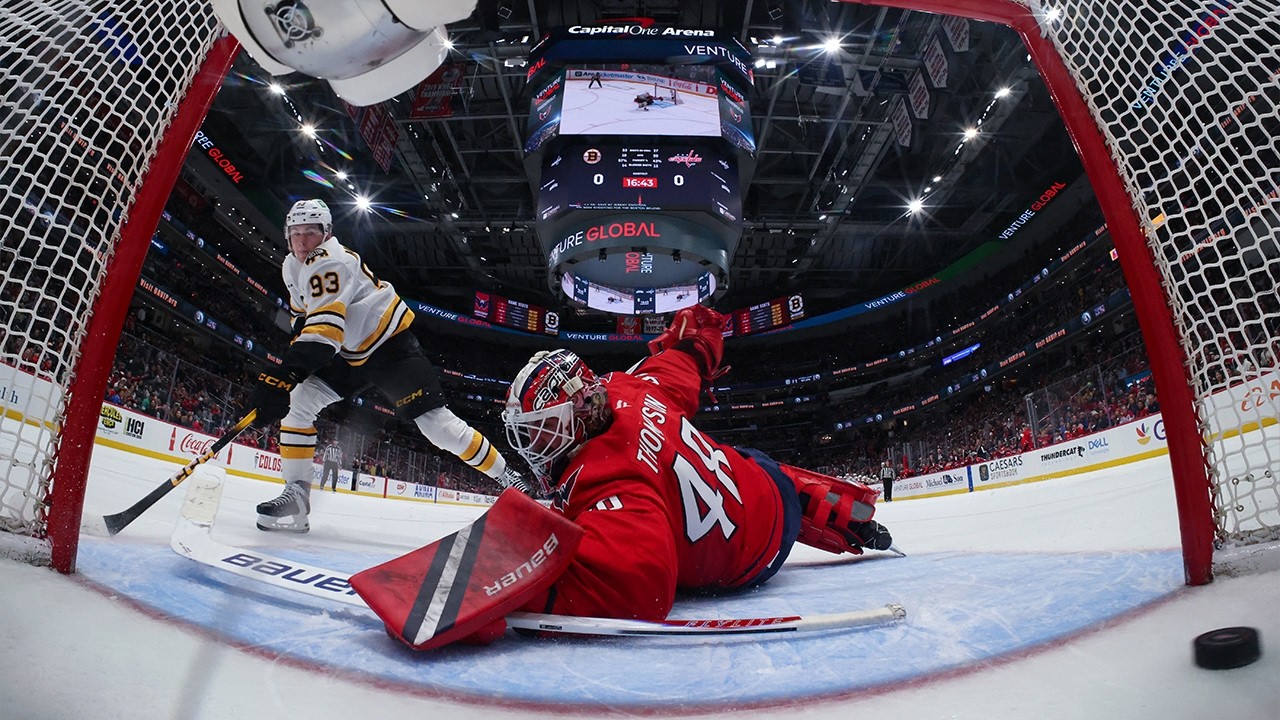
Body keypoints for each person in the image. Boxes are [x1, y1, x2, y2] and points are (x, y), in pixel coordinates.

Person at [499, 304, 893, 622]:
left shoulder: (612, 479)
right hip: (753, 477)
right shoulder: (627, 386)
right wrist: (702, 329)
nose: (534, 445)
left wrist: (516, 593)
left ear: (579, 414)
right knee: (728, 461)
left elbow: (641, 586)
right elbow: (687, 358)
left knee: (711, 482)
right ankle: (820, 502)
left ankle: (807, 501)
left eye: (543, 430)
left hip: (755, 556)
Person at [249, 199, 531, 532]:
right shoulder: (291, 267)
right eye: (295, 234)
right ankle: (296, 494)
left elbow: (324, 330)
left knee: (437, 426)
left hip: (388, 349)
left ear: (326, 234)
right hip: (348, 351)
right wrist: (289, 376)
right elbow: (303, 319)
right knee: (298, 402)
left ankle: (508, 477)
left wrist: (283, 375)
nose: (302, 241)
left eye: (310, 233)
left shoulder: (331, 261)